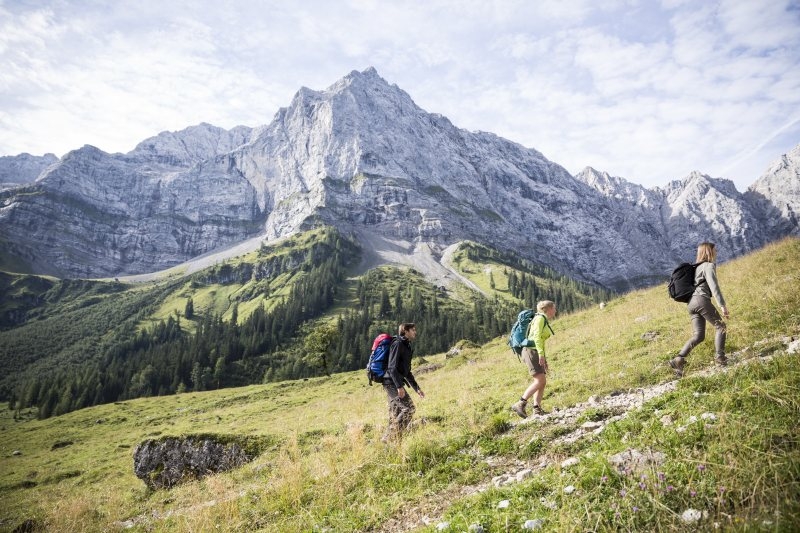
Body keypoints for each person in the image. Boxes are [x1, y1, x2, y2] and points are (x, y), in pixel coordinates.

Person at [669, 242, 730, 377]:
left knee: (698, 336)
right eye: (715, 250)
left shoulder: (695, 268)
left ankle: (678, 359)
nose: (716, 252)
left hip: (691, 303)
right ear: (709, 251)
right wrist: (722, 305)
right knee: (721, 327)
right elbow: (714, 286)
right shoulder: (708, 266)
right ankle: (720, 358)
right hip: (701, 299)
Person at [511, 300, 556, 418]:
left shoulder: (541, 319)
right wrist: (541, 354)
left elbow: (540, 340)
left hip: (534, 351)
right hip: (531, 351)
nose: (555, 310)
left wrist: (543, 357)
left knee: (542, 381)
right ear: (548, 309)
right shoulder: (540, 318)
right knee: (539, 380)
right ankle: (520, 403)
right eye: (554, 308)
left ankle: (537, 409)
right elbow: (536, 337)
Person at [382, 323, 425, 441]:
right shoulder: (398, 344)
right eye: (413, 330)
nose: (415, 332)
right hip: (391, 383)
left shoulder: (407, 346)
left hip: (394, 382)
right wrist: (399, 386)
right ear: (405, 331)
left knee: (395, 414)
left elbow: (406, 371)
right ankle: (390, 438)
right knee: (409, 408)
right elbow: (391, 367)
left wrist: (417, 388)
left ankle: (390, 442)